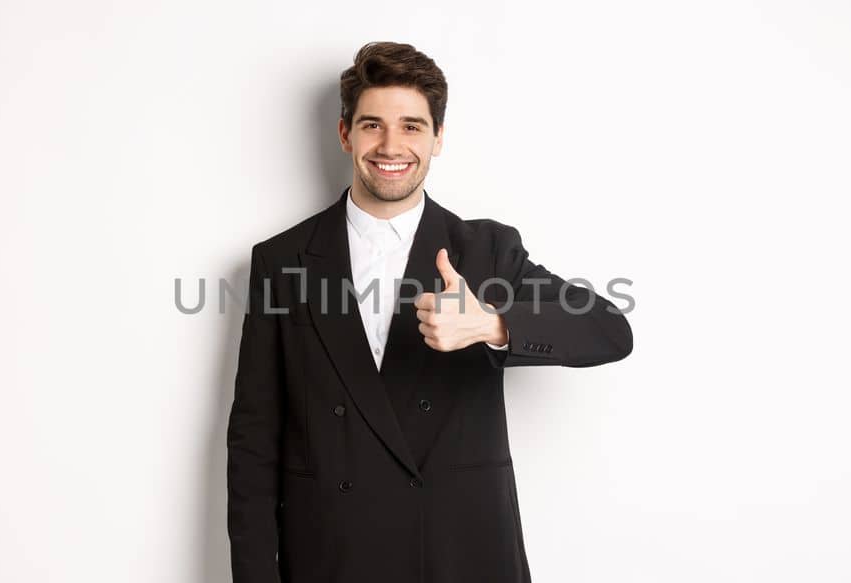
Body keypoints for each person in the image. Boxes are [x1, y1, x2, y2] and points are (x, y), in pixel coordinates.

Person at [226, 41, 633, 583]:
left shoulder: (485, 251)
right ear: (345, 133)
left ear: (439, 138)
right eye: (372, 125)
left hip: (459, 553)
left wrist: (493, 324)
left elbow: (609, 328)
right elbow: (253, 437)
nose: (391, 145)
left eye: (413, 126)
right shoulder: (280, 260)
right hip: (331, 554)